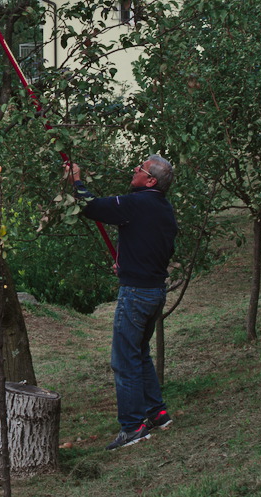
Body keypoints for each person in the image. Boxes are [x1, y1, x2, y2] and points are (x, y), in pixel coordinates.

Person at [67, 155, 178, 451]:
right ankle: (157, 413)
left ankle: (132, 427)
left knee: (124, 360)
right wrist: (127, 264)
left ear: (150, 180)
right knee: (139, 354)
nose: (134, 170)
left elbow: (92, 206)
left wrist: (75, 180)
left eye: (139, 169)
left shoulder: (136, 203)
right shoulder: (164, 210)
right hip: (154, 292)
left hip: (136, 295)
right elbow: (159, 248)